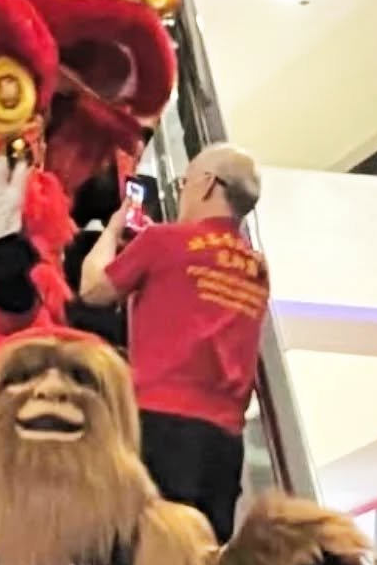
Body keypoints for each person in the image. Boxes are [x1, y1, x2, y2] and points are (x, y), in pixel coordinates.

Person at [79, 143, 268, 542]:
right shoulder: (257, 269)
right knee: (199, 560)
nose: (181, 192)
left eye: (184, 183)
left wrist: (114, 230)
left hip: (160, 427)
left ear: (206, 185)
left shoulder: (164, 242)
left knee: (142, 550)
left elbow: (93, 290)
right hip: (224, 446)